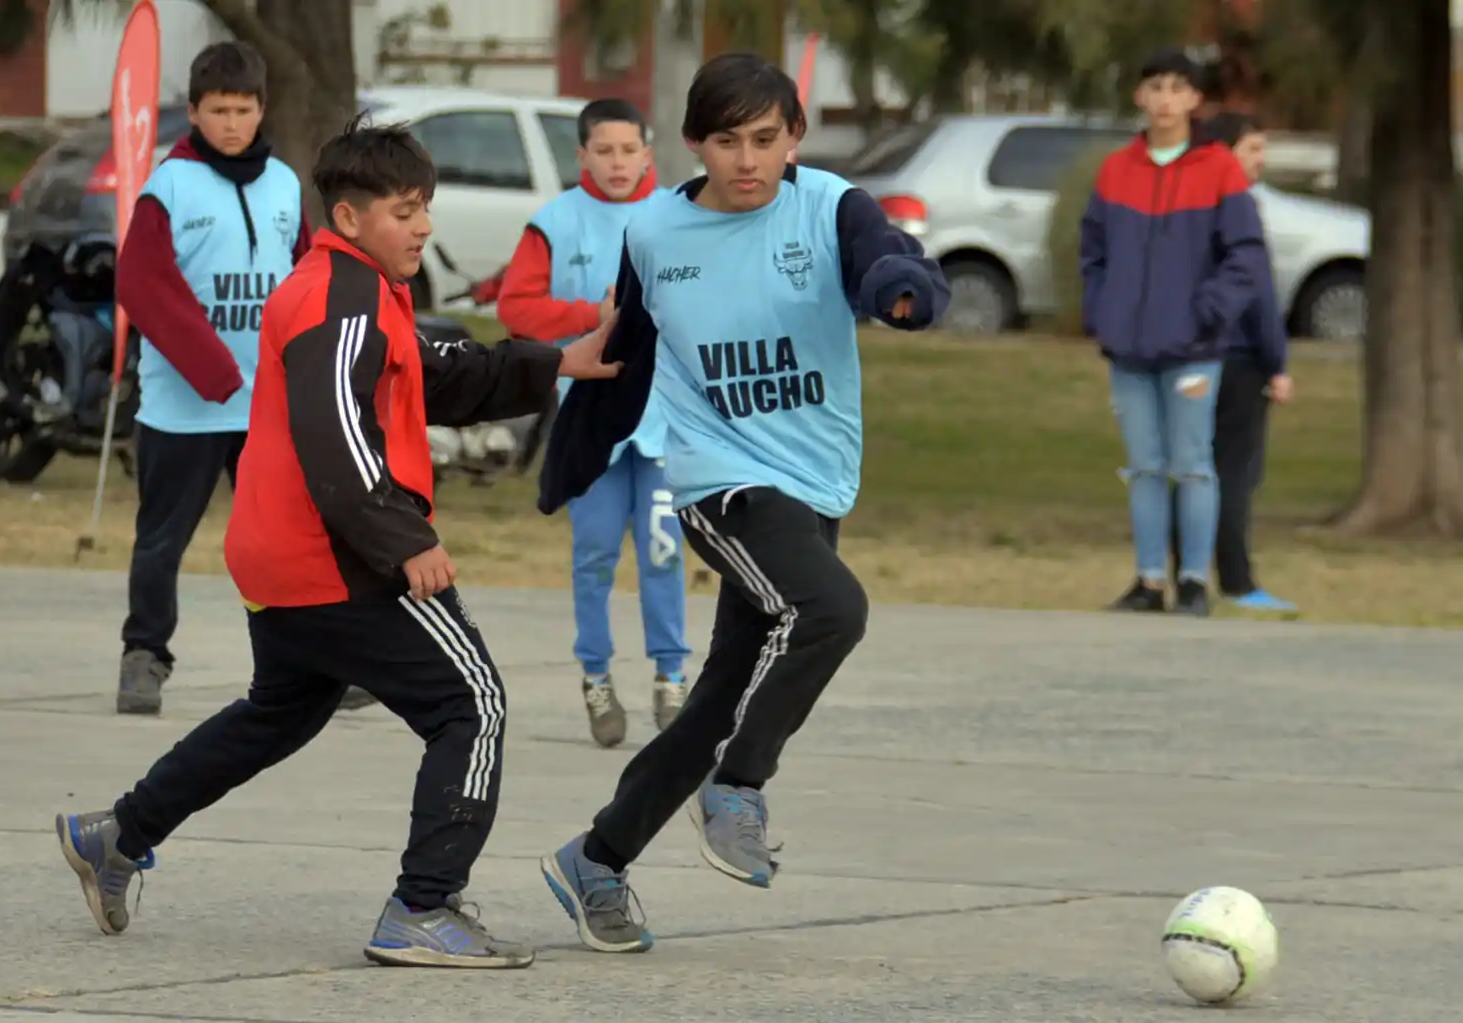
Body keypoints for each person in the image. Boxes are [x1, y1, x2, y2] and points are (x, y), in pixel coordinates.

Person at [54, 116, 623, 968]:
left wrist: (554, 362)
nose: (423, 225)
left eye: (425, 206)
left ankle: (117, 834)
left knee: (279, 712)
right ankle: (423, 905)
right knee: (472, 703)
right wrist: (401, 540)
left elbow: (436, 371)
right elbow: (336, 436)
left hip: (285, 554)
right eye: (405, 209)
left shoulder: (357, 287)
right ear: (350, 216)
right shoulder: (337, 298)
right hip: (336, 555)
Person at [532, 52, 951, 953]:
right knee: (834, 608)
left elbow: (884, 259)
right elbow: (624, 354)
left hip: (812, 477)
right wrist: (568, 459)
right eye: (727, 142)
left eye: (766, 139)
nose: (748, 159)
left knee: (722, 692)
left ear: (795, 137)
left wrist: (903, 294)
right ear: (693, 145)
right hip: (716, 478)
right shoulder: (653, 236)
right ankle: (739, 788)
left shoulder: (830, 206)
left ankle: (596, 858)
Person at [111, 42, 381, 714]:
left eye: (244, 109)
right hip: (184, 407)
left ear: (262, 109)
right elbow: (142, 284)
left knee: (293, 536)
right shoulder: (168, 187)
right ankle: (144, 655)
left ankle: (325, 660)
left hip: (267, 404)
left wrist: (315, 365)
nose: (232, 122)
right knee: (161, 540)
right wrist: (212, 369)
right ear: (195, 112)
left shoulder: (286, 183)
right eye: (218, 110)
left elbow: (305, 276)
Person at [497, 98, 691, 748]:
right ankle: (597, 677)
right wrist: (589, 313)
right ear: (581, 156)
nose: (616, 162)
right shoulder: (554, 223)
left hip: (664, 418)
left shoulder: (680, 213)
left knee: (664, 549)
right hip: (591, 420)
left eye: (627, 150)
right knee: (595, 555)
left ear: (647, 154)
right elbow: (517, 306)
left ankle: (671, 674)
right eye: (602, 151)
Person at [1080, 47, 1267, 617]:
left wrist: (1208, 310)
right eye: (1154, 87)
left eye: (1176, 89)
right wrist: (1103, 313)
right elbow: (1094, 253)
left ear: (1194, 99)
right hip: (1129, 348)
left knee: (1191, 464)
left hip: (1194, 349)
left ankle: (1192, 582)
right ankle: (1149, 580)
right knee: (1144, 467)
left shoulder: (1218, 170)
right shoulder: (1116, 170)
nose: (1165, 100)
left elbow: (1245, 256)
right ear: (1140, 96)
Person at [1170, 112, 1297, 614]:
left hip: (1186, 358)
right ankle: (1239, 582)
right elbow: (1259, 297)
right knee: (1233, 472)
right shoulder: (1238, 208)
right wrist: (1277, 363)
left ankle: (1185, 576)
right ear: (1223, 153)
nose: (1260, 161)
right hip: (1238, 359)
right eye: (1252, 149)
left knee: (1191, 467)